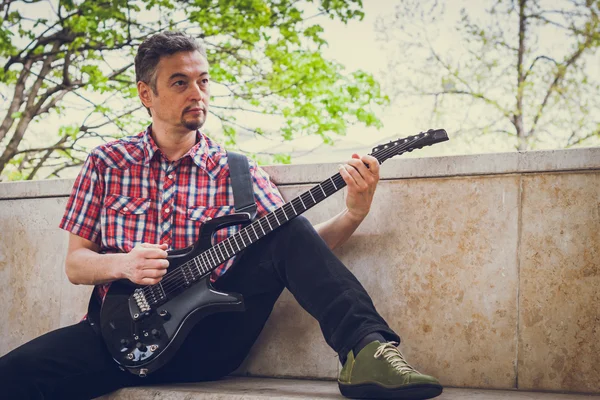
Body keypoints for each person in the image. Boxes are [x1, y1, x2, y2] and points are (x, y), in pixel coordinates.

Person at [0, 31, 442, 400]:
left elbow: (295, 249)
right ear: (145, 94)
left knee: (286, 225)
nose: (197, 93)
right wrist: (124, 263)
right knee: (11, 375)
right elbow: (76, 264)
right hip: (113, 332)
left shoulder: (238, 171)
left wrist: (353, 213)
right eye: (179, 83)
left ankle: (367, 351)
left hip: (209, 340)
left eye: (203, 81)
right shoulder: (106, 162)